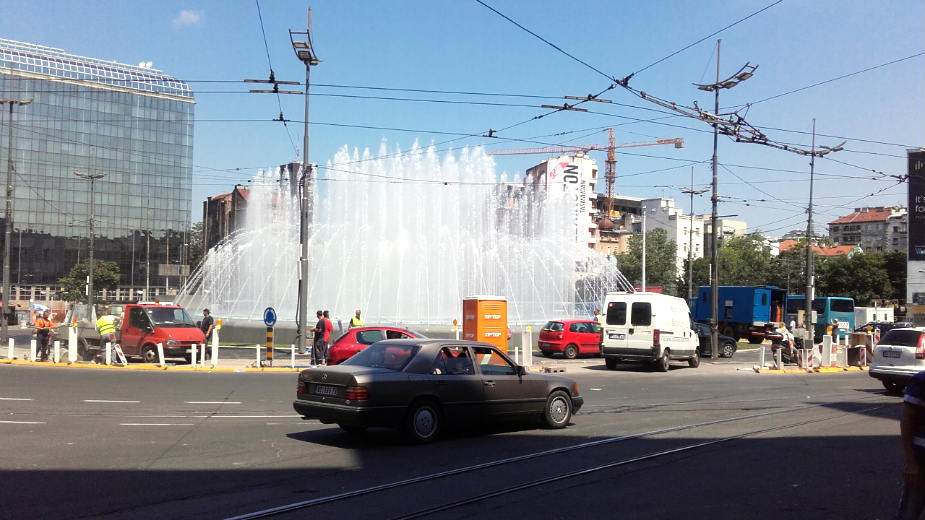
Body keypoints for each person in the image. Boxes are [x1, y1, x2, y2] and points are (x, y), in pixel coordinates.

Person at [893, 370, 924, 520]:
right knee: (909, 513)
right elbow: (906, 420)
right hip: (922, 461)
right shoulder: (921, 380)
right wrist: (911, 463)